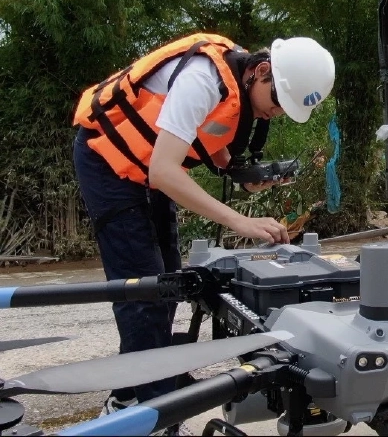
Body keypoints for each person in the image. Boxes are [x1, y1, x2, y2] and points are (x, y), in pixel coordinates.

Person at [71, 33, 335, 427]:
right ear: (261, 71)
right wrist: (238, 220)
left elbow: (205, 135)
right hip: (108, 162)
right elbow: (164, 170)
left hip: (146, 166)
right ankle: (152, 414)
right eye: (279, 101)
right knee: (142, 292)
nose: (278, 112)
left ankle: (130, 393)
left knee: (170, 284)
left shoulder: (239, 84)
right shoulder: (202, 78)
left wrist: (237, 171)